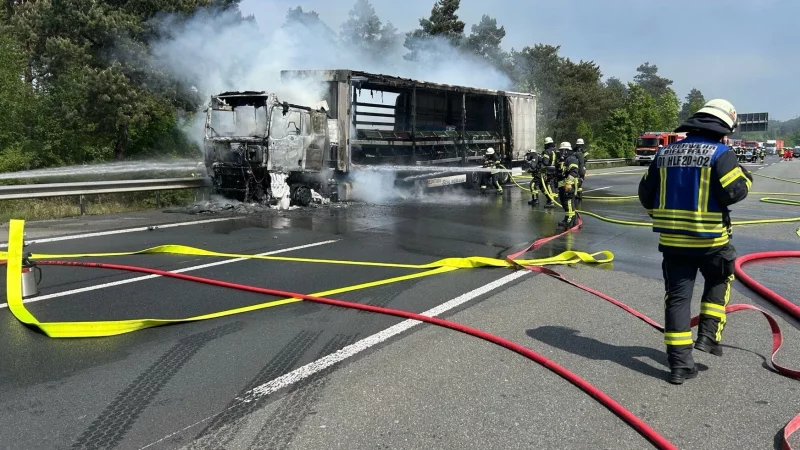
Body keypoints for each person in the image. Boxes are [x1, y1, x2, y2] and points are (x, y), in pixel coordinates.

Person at [638, 99, 752, 385]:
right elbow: (734, 192)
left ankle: (679, 366)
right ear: (723, 128)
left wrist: (662, 216)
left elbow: (645, 193)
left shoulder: (664, 153)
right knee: (719, 280)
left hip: (673, 243)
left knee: (677, 300)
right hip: (712, 240)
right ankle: (708, 336)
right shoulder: (721, 153)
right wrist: (746, 177)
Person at [556, 141, 580, 228]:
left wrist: (569, 183)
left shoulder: (571, 158)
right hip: (563, 185)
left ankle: (570, 220)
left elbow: (574, 171)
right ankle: (568, 218)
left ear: (567, 150)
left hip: (570, 185)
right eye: (560, 150)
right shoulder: (563, 160)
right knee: (564, 202)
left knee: (568, 202)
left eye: (562, 150)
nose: (561, 152)